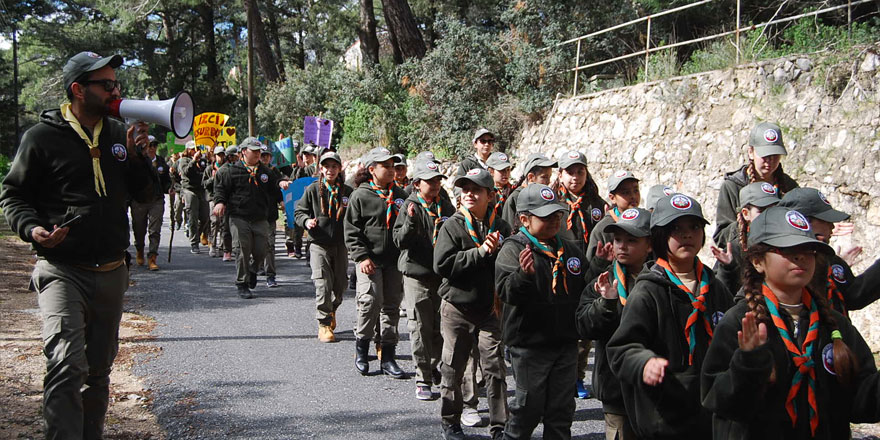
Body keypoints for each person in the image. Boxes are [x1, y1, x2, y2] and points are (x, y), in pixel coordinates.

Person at [0, 51, 158, 439]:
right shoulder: (41, 138)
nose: (115, 92)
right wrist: (32, 228)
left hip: (111, 273)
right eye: (107, 85)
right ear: (78, 90)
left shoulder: (120, 135)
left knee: (98, 371)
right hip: (62, 271)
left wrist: (140, 160)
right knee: (65, 365)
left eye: (116, 84)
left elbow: (147, 195)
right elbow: (13, 194)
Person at [701, 206, 880, 439]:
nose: (801, 257)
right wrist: (748, 364)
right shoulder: (741, 322)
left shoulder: (834, 324)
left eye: (809, 250)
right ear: (757, 261)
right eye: (788, 249)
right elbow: (722, 404)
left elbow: (860, 402)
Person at [606, 193, 734, 439]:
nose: (687, 235)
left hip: (709, 416)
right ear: (658, 238)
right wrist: (644, 362)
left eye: (694, 227)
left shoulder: (714, 287)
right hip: (664, 418)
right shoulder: (648, 291)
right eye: (676, 229)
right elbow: (621, 349)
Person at [495, 183, 589, 439]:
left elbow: (586, 283)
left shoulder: (569, 249)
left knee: (561, 410)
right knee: (527, 408)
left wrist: (601, 263)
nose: (554, 221)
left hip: (565, 342)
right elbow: (506, 292)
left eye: (557, 215)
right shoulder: (514, 248)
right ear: (524, 219)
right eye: (546, 216)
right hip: (530, 344)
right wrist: (523, 276)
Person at [434, 168, 511, 440]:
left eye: (476, 190)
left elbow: (508, 264)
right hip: (458, 308)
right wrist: (480, 253)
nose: (469, 194)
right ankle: (451, 421)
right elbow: (442, 265)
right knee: (453, 367)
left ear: (490, 195)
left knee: (495, 367)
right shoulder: (452, 225)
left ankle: (500, 424)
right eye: (465, 189)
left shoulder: (500, 226)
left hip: (490, 308)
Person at [576, 207, 653, 440]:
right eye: (618, 239)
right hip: (616, 384)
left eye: (631, 240)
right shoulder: (606, 278)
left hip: (655, 382)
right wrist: (606, 304)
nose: (622, 246)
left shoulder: (661, 280)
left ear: (649, 245)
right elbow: (583, 325)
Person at [393, 158, 455, 400]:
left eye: (438, 180)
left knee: (440, 326)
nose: (436, 185)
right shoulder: (410, 205)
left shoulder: (445, 204)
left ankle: (434, 365)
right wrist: (409, 222)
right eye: (430, 181)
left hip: (440, 274)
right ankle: (422, 378)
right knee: (419, 326)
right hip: (416, 274)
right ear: (417, 184)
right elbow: (399, 241)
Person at [344, 147, 408, 378]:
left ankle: (388, 356)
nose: (391, 170)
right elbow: (351, 230)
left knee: (391, 306)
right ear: (372, 169)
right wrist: (361, 256)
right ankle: (362, 349)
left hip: (394, 262)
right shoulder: (360, 195)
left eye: (393, 166)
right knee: (370, 301)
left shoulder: (400, 195)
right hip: (369, 260)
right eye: (385, 166)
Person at [552, 150, 608, 400]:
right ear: (560, 174)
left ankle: (577, 376)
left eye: (580, 172)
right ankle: (560, 374)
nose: (575, 177)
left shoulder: (596, 204)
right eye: (570, 172)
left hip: (589, 270)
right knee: (562, 323)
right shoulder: (552, 202)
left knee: (584, 328)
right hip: (561, 270)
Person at [778, 188, 880, 315]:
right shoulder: (781, 263)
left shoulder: (830, 259)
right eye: (825, 221)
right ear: (803, 222)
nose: (832, 226)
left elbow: (854, 296)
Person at [212, 137, 285, 298]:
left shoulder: (266, 172)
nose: (258, 154)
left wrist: (281, 195)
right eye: (254, 150)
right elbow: (221, 190)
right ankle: (242, 283)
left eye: (259, 151)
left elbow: (275, 186)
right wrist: (220, 202)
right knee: (242, 249)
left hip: (260, 217)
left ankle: (252, 269)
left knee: (263, 248)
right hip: (239, 217)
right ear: (243, 152)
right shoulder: (231, 171)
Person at [295, 151, 352, 342]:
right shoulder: (312, 189)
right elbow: (299, 211)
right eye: (327, 166)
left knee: (341, 284)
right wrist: (306, 221)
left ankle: (332, 309)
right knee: (323, 284)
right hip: (318, 243)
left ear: (339, 168)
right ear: (321, 168)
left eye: (334, 166)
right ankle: (324, 323)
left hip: (340, 244)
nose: (330, 170)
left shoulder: (348, 192)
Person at [713, 121, 798, 246]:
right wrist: (747, 221)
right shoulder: (733, 186)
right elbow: (721, 237)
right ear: (751, 152)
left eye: (775, 155)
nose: (770, 161)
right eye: (765, 155)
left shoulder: (789, 186)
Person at [710, 182, 780, 296]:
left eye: (773, 210)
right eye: (762, 211)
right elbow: (719, 296)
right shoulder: (736, 248)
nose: (769, 216)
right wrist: (728, 268)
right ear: (746, 214)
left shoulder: (785, 244)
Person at [130, 135, 172, 271]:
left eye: (154, 145)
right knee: (139, 228)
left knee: (155, 230)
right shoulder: (136, 161)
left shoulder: (161, 162)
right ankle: (140, 249)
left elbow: (166, 181)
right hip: (139, 200)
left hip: (156, 200)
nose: (152, 148)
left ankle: (152, 257)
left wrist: (170, 188)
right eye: (149, 145)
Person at [586, 170, 640, 260]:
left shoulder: (644, 221)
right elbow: (592, 266)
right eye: (625, 193)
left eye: (636, 190)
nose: (633, 196)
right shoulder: (602, 229)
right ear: (612, 198)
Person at [502, 153, 556, 230]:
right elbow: (507, 229)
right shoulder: (515, 198)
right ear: (530, 177)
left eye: (549, 177)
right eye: (544, 177)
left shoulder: (546, 197)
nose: (548, 181)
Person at [177, 141, 211, 253]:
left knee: (206, 216)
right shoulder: (184, 160)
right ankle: (194, 243)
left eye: (196, 148)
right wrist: (193, 160)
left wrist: (210, 159)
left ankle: (199, 234)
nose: (195, 151)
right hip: (190, 190)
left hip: (201, 190)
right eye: (192, 149)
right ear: (188, 150)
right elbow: (186, 172)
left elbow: (208, 172)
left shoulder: (203, 160)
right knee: (193, 217)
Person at [260, 145, 286, 287]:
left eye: (267, 155)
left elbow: (277, 187)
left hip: (269, 215)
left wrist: (281, 200)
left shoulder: (274, 172)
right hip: (253, 215)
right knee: (255, 246)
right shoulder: (252, 171)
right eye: (262, 155)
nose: (264, 158)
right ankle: (254, 268)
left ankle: (270, 275)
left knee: (269, 245)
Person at [168, 152, 185, 230]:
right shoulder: (172, 164)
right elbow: (170, 176)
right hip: (177, 188)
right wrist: (172, 172)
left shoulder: (187, 161)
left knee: (187, 207)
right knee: (177, 205)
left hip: (186, 188)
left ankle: (187, 223)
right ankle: (177, 220)